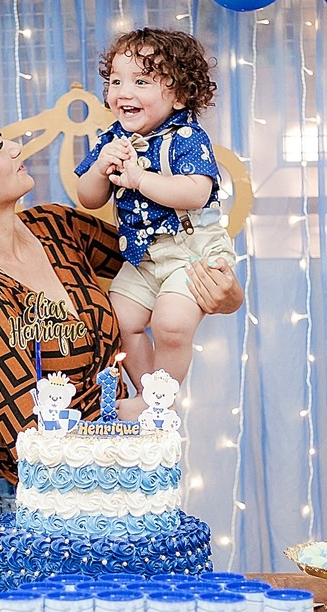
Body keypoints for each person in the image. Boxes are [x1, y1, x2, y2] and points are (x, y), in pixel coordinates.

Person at [0, 100, 243, 545]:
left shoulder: (56, 227)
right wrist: (129, 415)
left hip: (125, 488)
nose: (15, 148)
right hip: (46, 509)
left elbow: (165, 267)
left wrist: (227, 295)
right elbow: (33, 435)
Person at [75, 28, 236, 415]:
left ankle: (159, 398)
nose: (123, 92)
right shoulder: (113, 139)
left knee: (171, 324)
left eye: (141, 81)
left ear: (178, 95)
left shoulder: (186, 137)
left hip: (191, 252)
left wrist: (140, 180)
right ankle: (151, 397)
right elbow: (89, 197)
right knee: (118, 320)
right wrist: (99, 168)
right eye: (116, 81)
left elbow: (196, 192)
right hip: (143, 258)